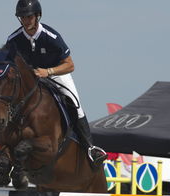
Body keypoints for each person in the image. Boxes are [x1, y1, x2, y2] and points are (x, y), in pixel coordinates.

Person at [6, 0, 107, 167]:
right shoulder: (14, 39)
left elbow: (70, 65)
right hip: (32, 78)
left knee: (74, 102)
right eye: (22, 17)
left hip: (56, 74)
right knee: (9, 103)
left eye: (29, 16)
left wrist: (48, 72)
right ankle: (3, 150)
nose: (26, 20)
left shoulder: (51, 36)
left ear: (37, 16)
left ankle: (90, 148)